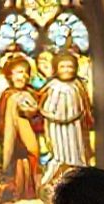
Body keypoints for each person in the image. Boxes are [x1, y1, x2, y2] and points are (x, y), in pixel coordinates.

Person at [39, 50, 94, 187]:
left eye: (70, 66)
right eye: (62, 66)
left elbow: (85, 106)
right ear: (56, 69)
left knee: (75, 151)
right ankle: (53, 179)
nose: (66, 70)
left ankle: (78, 177)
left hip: (75, 126)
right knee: (59, 154)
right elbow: (44, 106)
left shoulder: (77, 85)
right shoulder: (52, 86)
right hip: (55, 127)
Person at [0, 55, 43, 201]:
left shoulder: (31, 94)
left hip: (29, 133)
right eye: (18, 72)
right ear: (10, 75)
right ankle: (15, 190)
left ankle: (29, 191)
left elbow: (38, 115)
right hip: (14, 137)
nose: (22, 76)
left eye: (24, 72)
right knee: (17, 162)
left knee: (31, 158)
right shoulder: (7, 95)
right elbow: (3, 118)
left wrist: (32, 113)